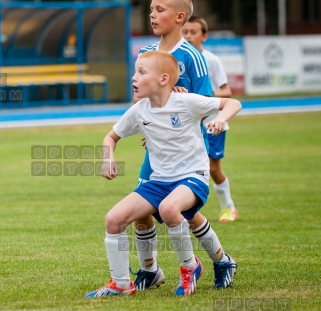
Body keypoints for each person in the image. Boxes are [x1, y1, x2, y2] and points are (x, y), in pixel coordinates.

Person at [85, 50, 242, 298]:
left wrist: (220, 119)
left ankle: (190, 268)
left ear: (163, 79)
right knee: (113, 219)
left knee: (170, 209)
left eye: (141, 72)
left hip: (193, 176)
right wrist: (108, 157)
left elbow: (233, 102)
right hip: (159, 181)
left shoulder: (185, 101)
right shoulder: (139, 110)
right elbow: (111, 136)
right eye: (134, 71)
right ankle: (121, 284)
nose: (134, 78)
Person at [131, 0, 237, 292]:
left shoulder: (192, 56)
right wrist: (146, 126)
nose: (152, 15)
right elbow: (140, 98)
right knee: (143, 210)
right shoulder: (146, 53)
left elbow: (204, 103)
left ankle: (220, 259)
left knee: (182, 212)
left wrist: (180, 102)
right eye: (151, 9)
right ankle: (150, 270)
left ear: (179, 17)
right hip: (156, 150)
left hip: (185, 152)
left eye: (159, 10)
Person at [183, 15, 238, 222]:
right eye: (185, 32)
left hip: (212, 123)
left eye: (193, 32)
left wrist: (204, 98)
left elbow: (227, 91)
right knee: (186, 168)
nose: (188, 36)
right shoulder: (178, 58)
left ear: (204, 36)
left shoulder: (211, 60)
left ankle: (228, 208)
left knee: (213, 168)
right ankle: (187, 214)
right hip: (187, 124)